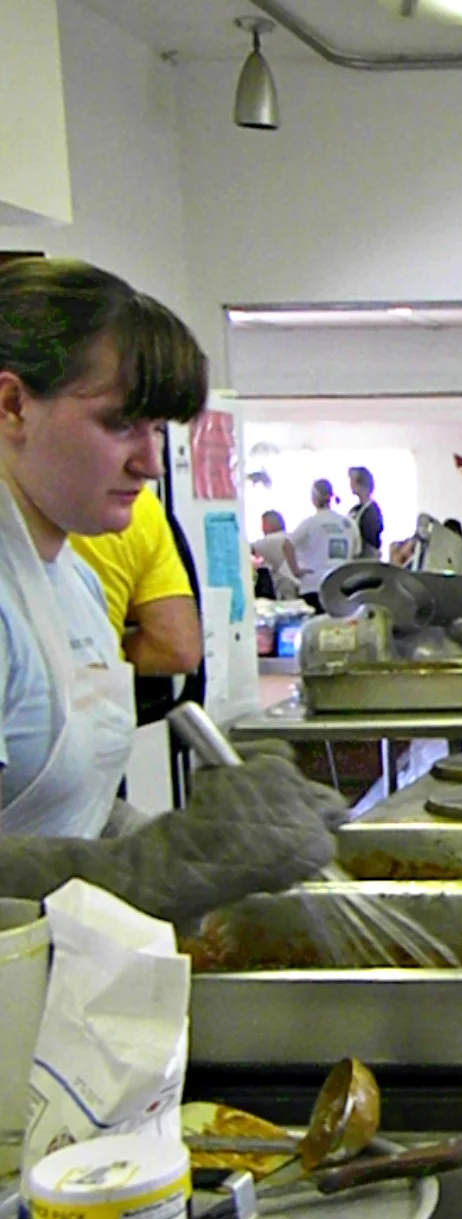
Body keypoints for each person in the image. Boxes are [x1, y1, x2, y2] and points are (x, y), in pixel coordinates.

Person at [0, 257, 342, 921]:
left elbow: (68, 812)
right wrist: (156, 866)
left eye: (156, 429)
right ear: (12, 403)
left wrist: (194, 845)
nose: (150, 463)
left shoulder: (68, 577)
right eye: (119, 423)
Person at [72, 485, 202, 676]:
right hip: (99, 689)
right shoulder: (134, 504)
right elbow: (176, 650)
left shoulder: (28, 501)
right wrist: (103, 649)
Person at [291, 478, 360, 610]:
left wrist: (296, 570)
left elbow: (286, 544)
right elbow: (356, 553)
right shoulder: (349, 523)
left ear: (313, 498)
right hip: (342, 584)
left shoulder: (310, 523)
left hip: (313, 585)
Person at [251, 508, 301, 600]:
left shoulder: (272, 539)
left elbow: (247, 549)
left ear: (267, 524)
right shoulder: (292, 537)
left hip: (286, 583)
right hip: (302, 583)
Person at [348, 465, 384, 560]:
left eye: (352, 480)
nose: (350, 484)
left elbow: (371, 540)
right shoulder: (355, 510)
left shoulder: (372, 511)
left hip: (366, 559)